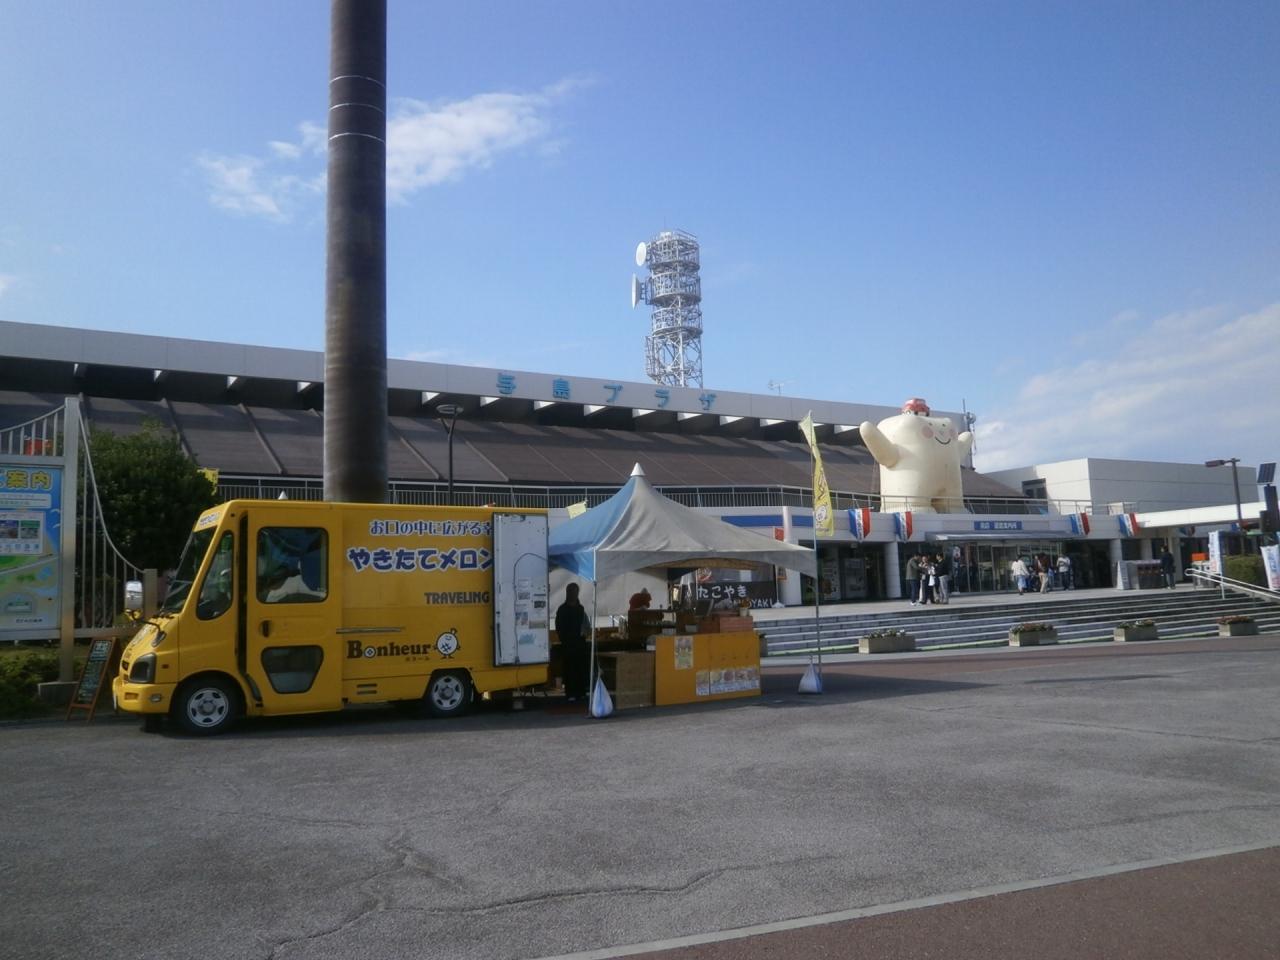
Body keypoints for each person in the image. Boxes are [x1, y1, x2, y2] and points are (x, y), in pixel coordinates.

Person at [555, 583, 590, 702]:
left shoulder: (581, 609)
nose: (573, 594)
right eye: (571, 591)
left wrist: (585, 633)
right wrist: (564, 639)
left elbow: (586, 625)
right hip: (568, 644)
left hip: (580, 644)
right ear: (567, 593)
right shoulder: (562, 609)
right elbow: (559, 627)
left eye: (575, 592)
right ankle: (570, 692)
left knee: (581, 668)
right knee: (570, 669)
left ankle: (581, 692)